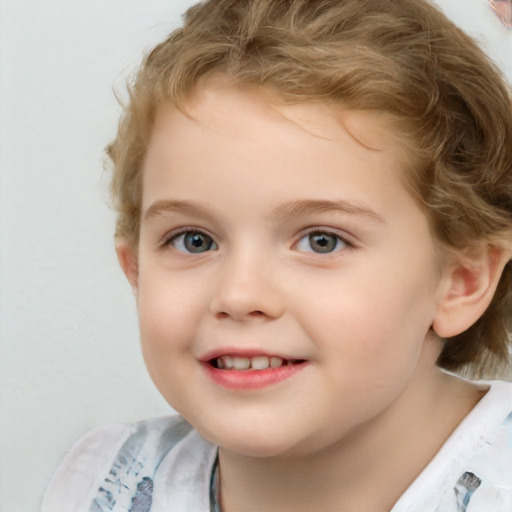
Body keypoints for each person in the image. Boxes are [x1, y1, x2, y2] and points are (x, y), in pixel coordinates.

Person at [43, 0, 512, 510]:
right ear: (136, 272)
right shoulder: (105, 484)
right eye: (193, 240)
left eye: (321, 241)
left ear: (461, 279)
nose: (240, 295)